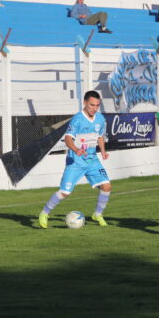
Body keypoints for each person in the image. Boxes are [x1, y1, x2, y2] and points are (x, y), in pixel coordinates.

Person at [39, 90, 112, 229]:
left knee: (107, 186)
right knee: (65, 192)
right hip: (76, 161)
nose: (94, 108)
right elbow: (67, 139)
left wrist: (103, 151)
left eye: (97, 105)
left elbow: (99, 136)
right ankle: (44, 213)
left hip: (92, 160)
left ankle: (97, 214)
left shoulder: (100, 119)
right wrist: (76, 149)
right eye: (91, 105)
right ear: (84, 103)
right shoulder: (77, 119)